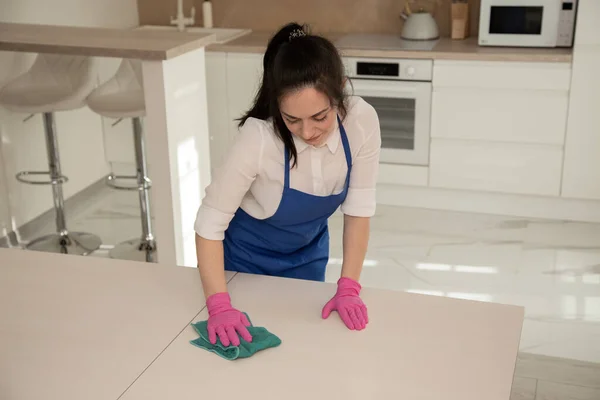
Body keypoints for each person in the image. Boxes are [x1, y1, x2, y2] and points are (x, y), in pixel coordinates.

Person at [194, 22, 381, 347]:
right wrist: (219, 305)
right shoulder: (258, 139)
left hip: (308, 257)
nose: (307, 132)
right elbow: (208, 226)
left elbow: (358, 211)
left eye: (319, 117)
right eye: (291, 120)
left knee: (302, 350)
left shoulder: (361, 122)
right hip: (243, 265)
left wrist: (349, 286)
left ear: (342, 89)